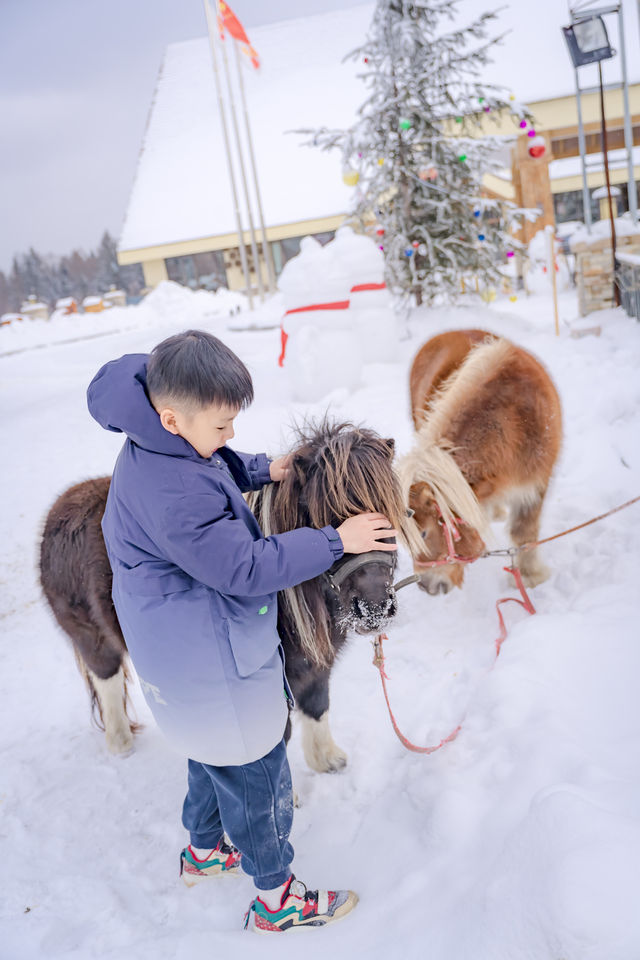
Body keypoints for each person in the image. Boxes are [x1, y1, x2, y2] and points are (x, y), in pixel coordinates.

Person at [87, 329, 398, 933]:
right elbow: (244, 568)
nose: (231, 437)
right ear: (173, 417)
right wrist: (338, 540)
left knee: (210, 753)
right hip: (211, 658)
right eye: (223, 426)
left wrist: (265, 468)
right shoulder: (175, 490)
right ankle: (276, 897)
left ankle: (203, 852)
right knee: (257, 769)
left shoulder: (159, 445)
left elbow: (214, 469)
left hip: (179, 653)